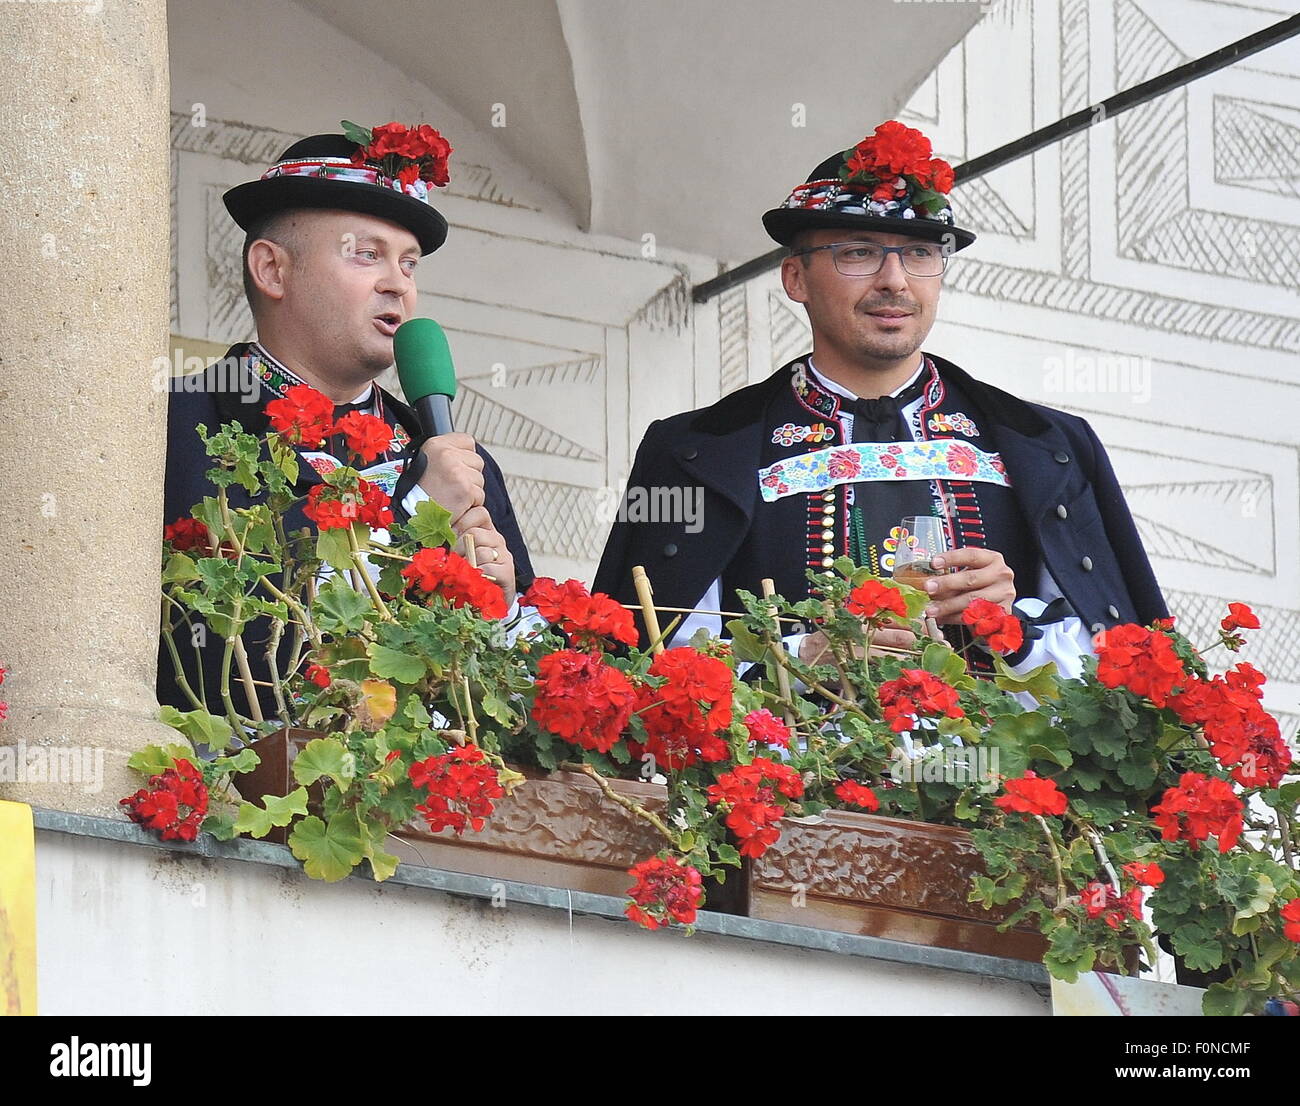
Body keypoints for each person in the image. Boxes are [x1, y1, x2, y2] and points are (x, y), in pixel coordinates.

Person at [594, 120, 1167, 677]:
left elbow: (1117, 679)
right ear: (795, 278)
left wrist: (1010, 630)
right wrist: (807, 658)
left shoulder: (1048, 445)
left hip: (997, 771)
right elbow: (654, 676)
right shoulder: (696, 452)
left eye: (919, 254)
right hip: (791, 771)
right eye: (859, 251)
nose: (895, 280)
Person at [159, 121, 533, 717]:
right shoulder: (174, 427)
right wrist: (415, 516)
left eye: (409, 265)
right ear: (273, 270)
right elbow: (230, 651)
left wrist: (505, 608)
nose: (397, 286)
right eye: (367, 255)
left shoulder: (449, 458)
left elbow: (517, 703)